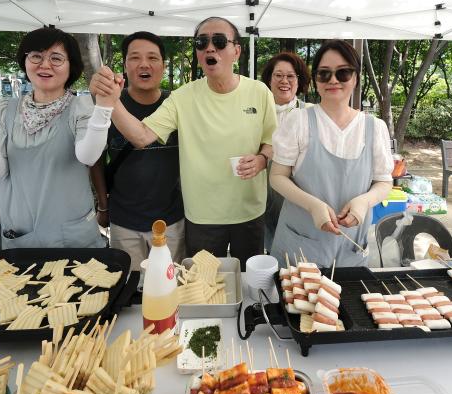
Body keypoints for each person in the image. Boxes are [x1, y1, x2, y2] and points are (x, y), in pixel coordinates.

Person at [91, 17, 277, 268]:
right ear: (198, 53)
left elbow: (272, 142)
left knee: (250, 283)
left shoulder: (260, 92)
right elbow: (141, 136)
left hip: (250, 211)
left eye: (219, 41)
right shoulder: (183, 97)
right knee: (201, 286)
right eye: (202, 43)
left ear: (237, 51)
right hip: (201, 216)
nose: (210, 48)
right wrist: (111, 100)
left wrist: (262, 159)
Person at [0, 27, 111, 249]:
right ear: (25, 62)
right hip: (19, 233)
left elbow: (88, 156)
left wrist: (103, 110)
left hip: (72, 236)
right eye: (36, 56)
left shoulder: (81, 108)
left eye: (56, 58)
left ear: (70, 65)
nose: (45, 65)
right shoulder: (5, 109)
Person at [269, 39, 393, 267]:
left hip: (351, 246)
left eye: (343, 73)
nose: (333, 80)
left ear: (355, 78)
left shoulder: (374, 127)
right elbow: (277, 176)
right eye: (324, 74)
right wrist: (313, 205)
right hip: (300, 245)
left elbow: (384, 181)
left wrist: (364, 202)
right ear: (315, 80)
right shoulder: (298, 120)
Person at [94, 31, 185, 269]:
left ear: (164, 66)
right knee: (130, 290)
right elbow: (94, 161)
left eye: (153, 58)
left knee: (171, 288)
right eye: (135, 58)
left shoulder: (177, 105)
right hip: (124, 221)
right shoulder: (107, 104)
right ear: (124, 65)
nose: (144, 64)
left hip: (172, 221)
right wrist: (103, 206)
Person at [259, 51, 311, 252]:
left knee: (291, 257)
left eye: (291, 76)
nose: (284, 81)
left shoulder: (309, 114)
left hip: (296, 197)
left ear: (299, 81)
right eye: (278, 75)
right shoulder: (256, 113)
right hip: (259, 198)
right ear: (269, 80)